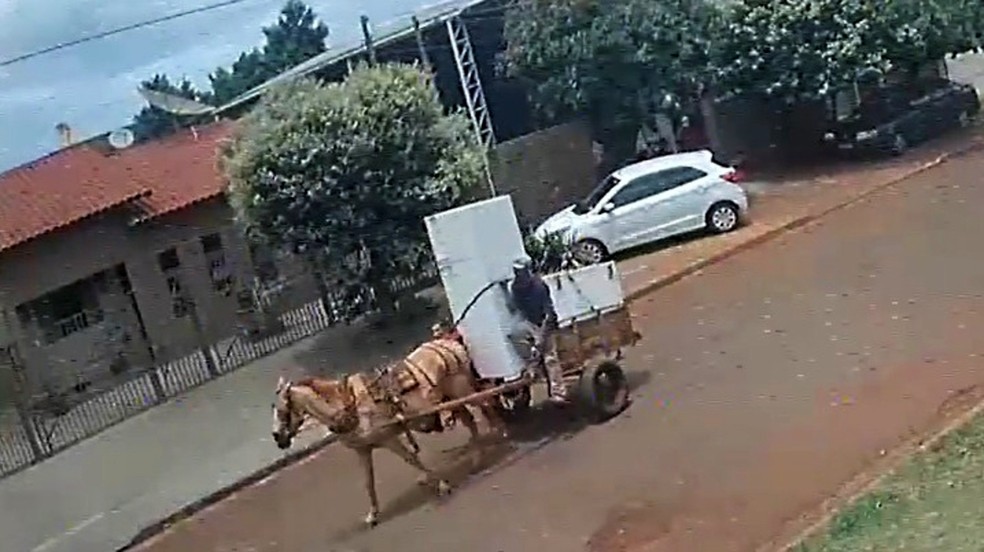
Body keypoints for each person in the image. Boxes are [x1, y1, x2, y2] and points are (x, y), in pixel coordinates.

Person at [503, 255, 568, 402]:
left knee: (550, 357)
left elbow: (549, 314)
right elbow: (517, 309)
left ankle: (559, 393)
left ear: (527, 272)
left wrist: (541, 337)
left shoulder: (539, 286)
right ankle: (532, 363)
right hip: (531, 322)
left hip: (546, 321)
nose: (518, 275)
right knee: (514, 334)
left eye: (521, 272)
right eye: (516, 272)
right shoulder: (516, 288)